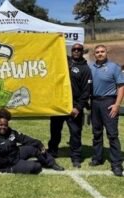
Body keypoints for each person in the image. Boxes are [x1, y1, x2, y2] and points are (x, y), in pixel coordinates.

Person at [0, 108, 64, 174]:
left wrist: (39, 144)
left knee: (34, 148)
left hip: (16, 154)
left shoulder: (11, 132)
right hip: (9, 165)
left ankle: (51, 163)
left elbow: (24, 139)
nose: (3, 127)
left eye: (5, 125)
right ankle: (36, 163)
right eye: (1, 125)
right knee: (36, 167)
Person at [48, 43, 92, 168]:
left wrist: (78, 107)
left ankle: (76, 157)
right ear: (71, 51)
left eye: (79, 49)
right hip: (59, 104)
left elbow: (86, 91)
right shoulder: (64, 62)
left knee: (75, 132)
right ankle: (52, 152)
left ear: (82, 52)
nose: (76, 51)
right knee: (55, 130)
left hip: (74, 106)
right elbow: (53, 52)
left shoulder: (85, 69)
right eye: (74, 49)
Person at [89, 44, 124, 177]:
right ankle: (97, 158)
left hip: (109, 102)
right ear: (94, 54)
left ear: (106, 52)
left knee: (112, 134)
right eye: (97, 52)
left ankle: (116, 164)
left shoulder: (114, 67)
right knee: (96, 133)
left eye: (102, 51)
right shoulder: (91, 67)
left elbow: (121, 86)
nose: (100, 54)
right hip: (95, 102)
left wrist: (116, 105)